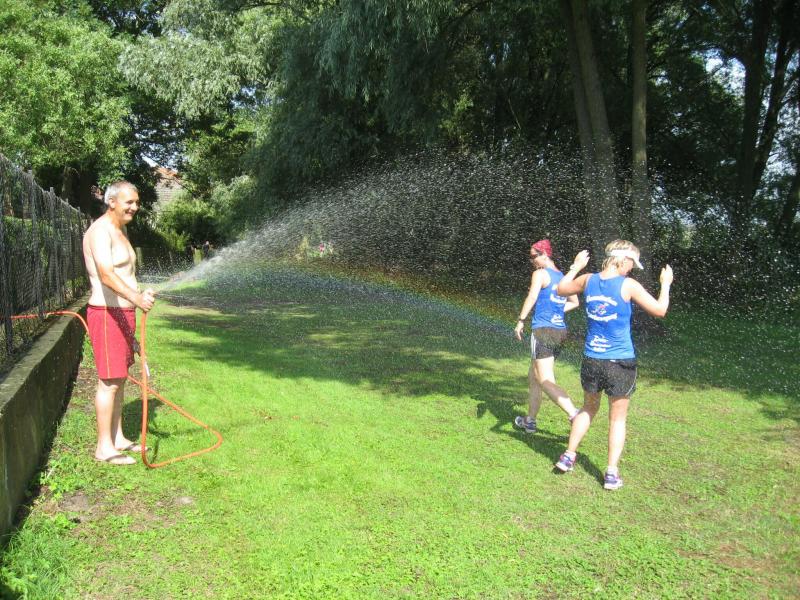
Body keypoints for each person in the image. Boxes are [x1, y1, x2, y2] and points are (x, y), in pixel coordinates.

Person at [553, 240, 673, 490]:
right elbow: (660, 310)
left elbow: (561, 288)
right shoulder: (628, 285)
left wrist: (576, 267)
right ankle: (610, 474)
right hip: (620, 361)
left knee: (588, 408)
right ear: (622, 260)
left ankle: (568, 456)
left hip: (592, 359)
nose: (631, 269)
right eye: (631, 264)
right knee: (617, 420)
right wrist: (666, 284)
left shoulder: (587, 280)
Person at [82, 181, 156, 465]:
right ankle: (104, 447)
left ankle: (118, 437)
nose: (134, 207)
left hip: (123, 314)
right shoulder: (100, 231)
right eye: (129, 202)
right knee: (109, 382)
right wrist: (136, 297)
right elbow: (106, 275)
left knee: (120, 378)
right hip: (106, 313)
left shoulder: (120, 230)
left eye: (136, 202)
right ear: (111, 201)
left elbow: (125, 275)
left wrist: (135, 302)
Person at [513, 239, 580, 433]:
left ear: (545, 254)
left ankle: (575, 414)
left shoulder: (540, 274)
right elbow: (574, 302)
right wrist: (555, 311)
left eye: (534, 256)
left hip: (543, 331)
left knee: (545, 379)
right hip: (560, 332)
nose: (532, 260)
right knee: (534, 376)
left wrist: (521, 320)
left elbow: (532, 297)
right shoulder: (563, 277)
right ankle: (530, 421)